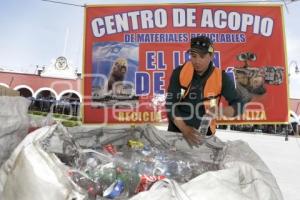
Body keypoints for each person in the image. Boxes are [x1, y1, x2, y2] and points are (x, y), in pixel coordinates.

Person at [165, 36, 244, 145]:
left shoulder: (221, 77)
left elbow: (239, 105)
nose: (197, 61)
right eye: (194, 56)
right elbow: (170, 104)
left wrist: (221, 111)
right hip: (177, 130)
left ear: (211, 56)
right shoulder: (179, 72)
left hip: (204, 134)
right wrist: (184, 129)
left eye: (202, 56)